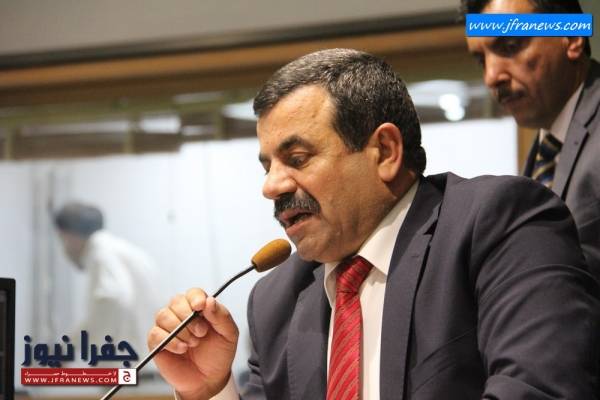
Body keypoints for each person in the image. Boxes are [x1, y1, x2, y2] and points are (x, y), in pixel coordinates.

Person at [148, 49, 599, 399]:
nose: (271, 187)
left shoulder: (499, 223)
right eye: (267, 166)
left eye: (297, 158)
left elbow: (542, 390)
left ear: (385, 151)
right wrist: (209, 390)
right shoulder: (275, 301)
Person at [462, 0, 600, 279]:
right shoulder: (544, 152)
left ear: (572, 37)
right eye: (481, 60)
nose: (491, 77)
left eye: (511, 46)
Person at [54, 202, 161, 368]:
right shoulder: (127, 252)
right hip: (150, 367)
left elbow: (112, 299)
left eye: (62, 240)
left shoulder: (100, 253)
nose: (65, 249)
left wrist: (68, 349)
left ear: (71, 236)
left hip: (128, 372)